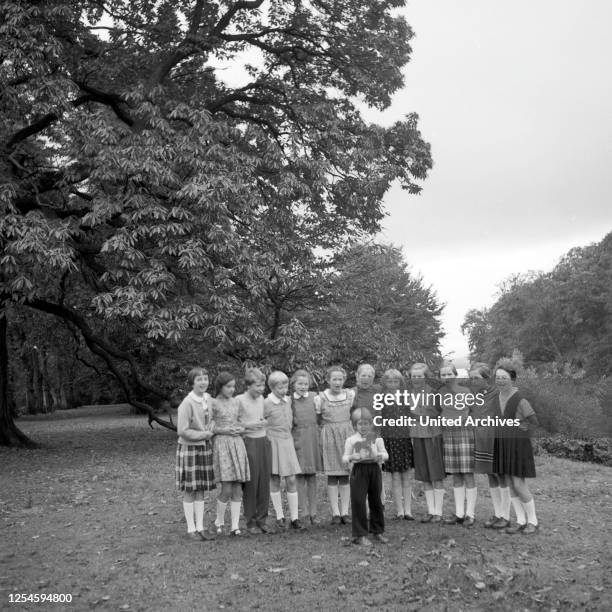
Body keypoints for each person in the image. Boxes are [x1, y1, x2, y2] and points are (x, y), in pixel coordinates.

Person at [492, 362, 539, 534]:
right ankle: (520, 520)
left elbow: (534, 422)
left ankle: (533, 521)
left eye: (504, 378)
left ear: (512, 379)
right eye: (498, 378)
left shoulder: (520, 400)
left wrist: (522, 428)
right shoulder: (496, 397)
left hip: (518, 445)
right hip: (503, 444)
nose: (500, 381)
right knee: (510, 483)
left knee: (519, 483)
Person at [175, 367, 216, 541]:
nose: (203, 382)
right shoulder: (187, 403)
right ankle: (191, 529)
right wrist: (203, 435)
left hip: (204, 448)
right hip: (190, 449)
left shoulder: (208, 399)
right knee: (190, 490)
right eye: (199, 379)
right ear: (192, 383)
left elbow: (212, 419)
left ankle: (201, 527)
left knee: (201, 489)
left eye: (205, 378)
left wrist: (211, 430)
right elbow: (182, 430)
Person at [469, 363, 511, 528]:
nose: (473, 381)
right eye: (471, 378)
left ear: (487, 378)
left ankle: (506, 517)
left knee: (501, 475)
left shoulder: (498, 393)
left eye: (476, 378)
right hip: (481, 439)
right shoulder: (474, 395)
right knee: (491, 475)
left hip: (496, 438)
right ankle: (497, 514)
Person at [264, 371, 306, 530]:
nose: (283, 390)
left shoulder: (288, 401)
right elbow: (261, 421)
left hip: (287, 442)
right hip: (273, 442)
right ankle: (279, 515)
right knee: (274, 479)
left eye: (285, 386)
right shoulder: (266, 403)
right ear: (272, 387)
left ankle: (294, 517)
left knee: (291, 479)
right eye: (279, 387)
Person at [342, 408, 389, 546]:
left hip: (374, 469)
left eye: (366, 424)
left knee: (376, 501)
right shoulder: (351, 440)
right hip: (359, 471)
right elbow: (344, 457)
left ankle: (377, 531)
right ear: (355, 425)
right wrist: (352, 457)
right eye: (360, 424)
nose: (363, 427)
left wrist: (379, 456)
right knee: (358, 501)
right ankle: (359, 534)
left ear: (371, 424)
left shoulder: (377, 438)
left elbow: (385, 455)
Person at [211, 372, 250, 536]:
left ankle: (235, 526)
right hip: (222, 445)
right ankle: (219, 521)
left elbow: (243, 422)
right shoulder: (213, 403)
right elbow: (210, 427)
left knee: (237, 488)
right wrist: (226, 430)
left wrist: (240, 429)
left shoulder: (237, 402)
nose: (232, 389)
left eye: (233, 386)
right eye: (228, 386)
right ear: (220, 387)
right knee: (226, 487)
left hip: (237, 444)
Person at [439, 364, 477, 527]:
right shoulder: (440, 392)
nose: (447, 377)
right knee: (456, 475)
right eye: (443, 374)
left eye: (449, 374)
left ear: (456, 375)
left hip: (464, 433)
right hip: (448, 434)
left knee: (467, 474)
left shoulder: (466, 392)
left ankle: (470, 514)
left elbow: (474, 412)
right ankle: (459, 513)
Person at [316, 365, 355, 524]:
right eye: (334, 379)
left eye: (340, 379)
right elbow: (318, 419)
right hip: (330, 435)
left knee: (345, 474)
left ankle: (345, 512)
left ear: (344, 380)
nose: (337, 382)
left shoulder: (350, 395)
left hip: (346, 434)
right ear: (328, 380)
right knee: (333, 475)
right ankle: (335, 513)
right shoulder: (321, 398)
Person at [236, 368, 272, 535]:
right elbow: (233, 424)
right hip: (248, 442)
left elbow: (262, 417)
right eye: (258, 385)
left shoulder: (261, 399)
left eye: (263, 385)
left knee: (264, 482)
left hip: (263, 441)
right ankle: (250, 521)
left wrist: (263, 422)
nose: (261, 389)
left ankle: (262, 520)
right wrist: (249, 426)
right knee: (251, 483)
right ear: (248, 385)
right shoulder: (239, 400)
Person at [408, 363, 445, 523]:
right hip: (416, 434)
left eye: (420, 376)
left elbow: (441, 412)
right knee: (424, 474)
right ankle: (431, 510)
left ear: (426, 376)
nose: (417, 379)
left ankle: (439, 512)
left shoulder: (434, 393)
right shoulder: (408, 394)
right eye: (414, 376)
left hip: (432, 434)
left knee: (435, 473)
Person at [380, 368, 414, 520]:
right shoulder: (380, 398)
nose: (393, 384)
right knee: (394, 476)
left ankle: (408, 510)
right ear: (385, 383)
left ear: (400, 382)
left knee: (406, 476)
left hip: (404, 439)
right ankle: (399, 510)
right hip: (389, 440)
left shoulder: (406, 397)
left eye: (396, 381)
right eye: (390, 381)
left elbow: (412, 416)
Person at [291, 369, 323, 525]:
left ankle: (313, 512)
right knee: (300, 476)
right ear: (293, 384)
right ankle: (303, 511)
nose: (303, 387)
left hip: (312, 438)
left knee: (312, 476)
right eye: (300, 383)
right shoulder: (289, 400)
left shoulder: (314, 398)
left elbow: (320, 417)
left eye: (305, 384)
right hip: (297, 439)